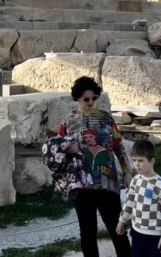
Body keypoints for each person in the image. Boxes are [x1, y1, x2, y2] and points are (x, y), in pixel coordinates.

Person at [58, 75, 132, 257]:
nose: (90, 102)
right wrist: (68, 150)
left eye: (93, 98)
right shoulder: (67, 123)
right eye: (86, 99)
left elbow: (118, 146)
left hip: (107, 182)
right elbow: (56, 153)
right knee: (88, 233)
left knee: (118, 229)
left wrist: (127, 171)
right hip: (82, 186)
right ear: (78, 98)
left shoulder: (106, 118)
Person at [116, 140, 161, 257]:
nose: (137, 164)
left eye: (141, 160)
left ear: (152, 161)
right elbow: (130, 202)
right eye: (134, 160)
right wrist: (122, 220)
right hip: (137, 233)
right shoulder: (135, 180)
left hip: (155, 237)